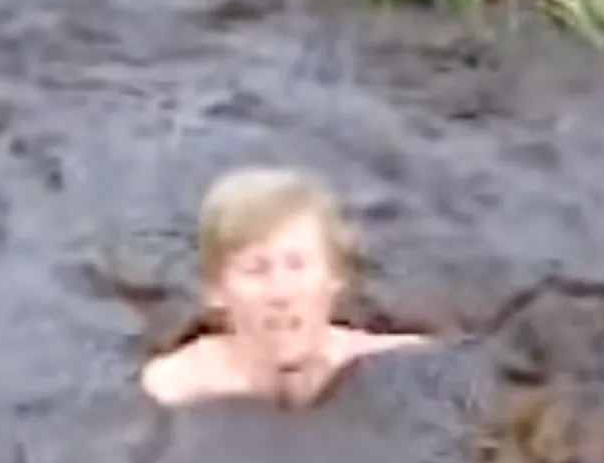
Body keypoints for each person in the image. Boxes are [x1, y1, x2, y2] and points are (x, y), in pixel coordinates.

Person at [140, 166, 428, 408]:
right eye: (255, 270)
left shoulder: (399, 366)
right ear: (215, 291)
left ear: (335, 277)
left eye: (297, 265)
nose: (281, 293)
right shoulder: (173, 388)